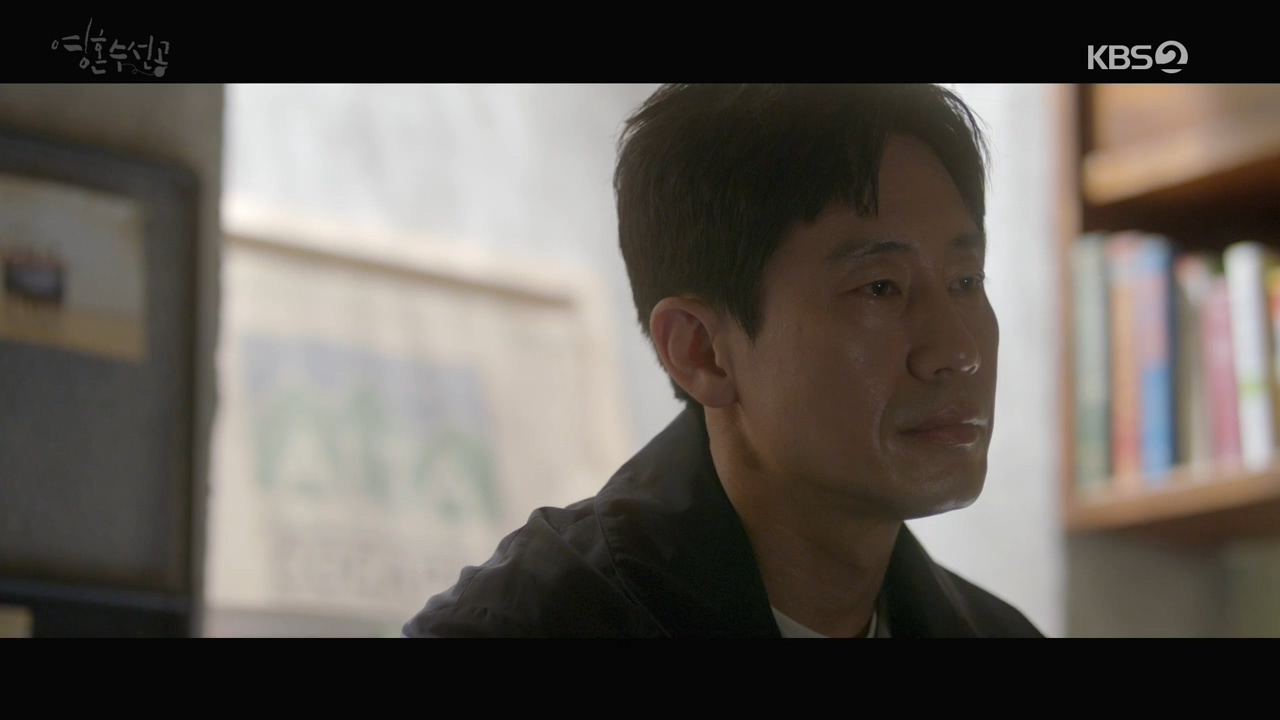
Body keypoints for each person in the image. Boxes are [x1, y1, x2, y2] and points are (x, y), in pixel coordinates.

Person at [402, 83, 1045, 638]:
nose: (957, 351)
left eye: (966, 280)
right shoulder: (525, 627)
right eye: (880, 288)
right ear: (701, 351)